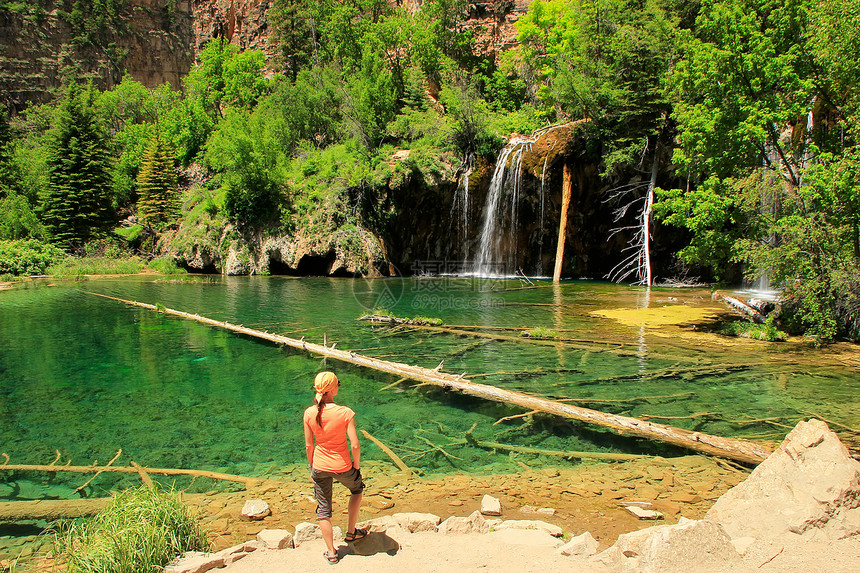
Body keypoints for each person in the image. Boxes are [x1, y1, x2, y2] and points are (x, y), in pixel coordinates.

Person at [303, 371, 366, 564]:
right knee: (357, 490)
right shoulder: (345, 412)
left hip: (320, 466)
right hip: (343, 466)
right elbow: (354, 444)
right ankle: (351, 532)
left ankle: (331, 552)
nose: (339, 385)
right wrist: (356, 466)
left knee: (323, 510)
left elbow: (309, 445)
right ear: (332, 389)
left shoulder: (309, 412)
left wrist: (312, 464)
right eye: (338, 383)